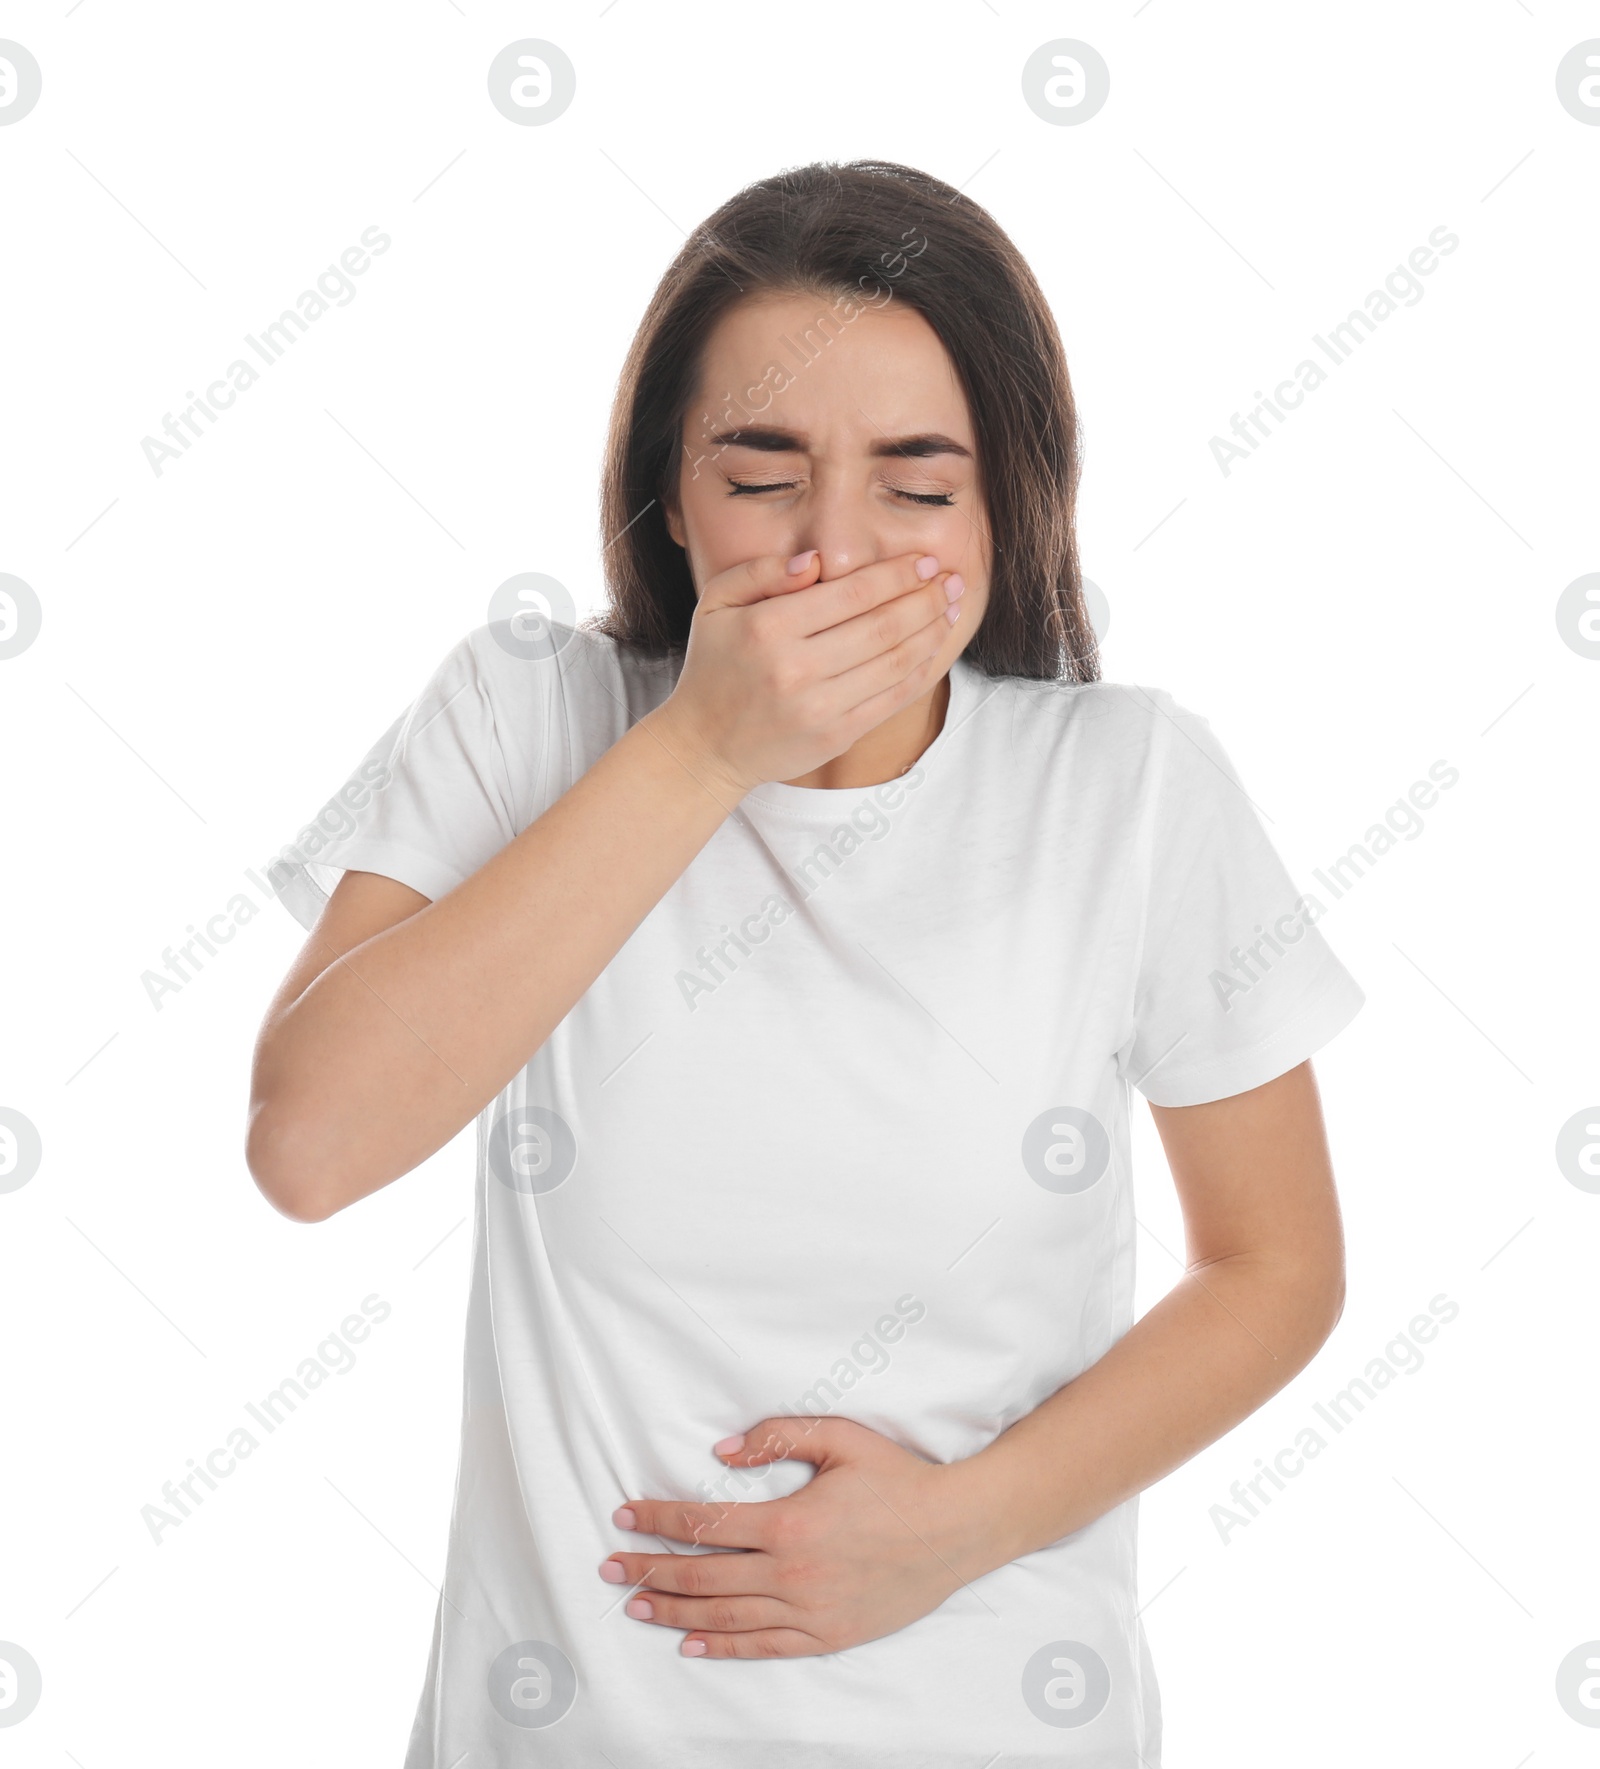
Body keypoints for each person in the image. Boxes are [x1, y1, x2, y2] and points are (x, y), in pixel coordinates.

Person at [247, 158, 1364, 1767]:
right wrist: (703, 746)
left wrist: (955, 1527)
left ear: (1006, 508)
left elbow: (1277, 1267)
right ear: (669, 492)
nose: (834, 550)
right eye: (762, 474)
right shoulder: (525, 714)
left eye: (918, 484)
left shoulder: (1130, 786)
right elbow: (309, 1143)